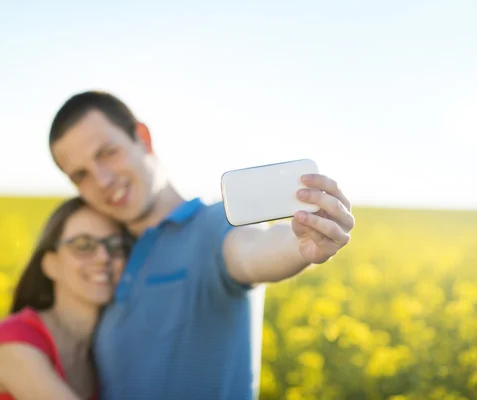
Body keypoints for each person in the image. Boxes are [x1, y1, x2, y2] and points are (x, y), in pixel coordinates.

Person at [48, 91, 355, 400]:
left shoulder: (211, 226)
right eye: (81, 174)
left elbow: (251, 253)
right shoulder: (105, 263)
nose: (101, 180)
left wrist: (299, 244)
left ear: (142, 137)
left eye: (108, 153)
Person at [0, 197, 131, 400]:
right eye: (83, 245)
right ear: (50, 264)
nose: (103, 257)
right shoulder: (17, 340)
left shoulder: (104, 351)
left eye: (115, 245)